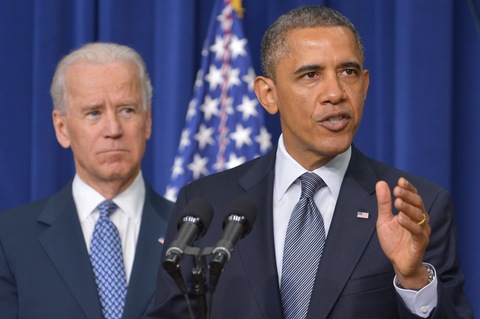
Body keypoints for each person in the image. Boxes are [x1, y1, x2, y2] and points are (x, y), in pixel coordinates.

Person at [145, 6, 473, 319]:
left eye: (348, 72)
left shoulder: (416, 210)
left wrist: (413, 279)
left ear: (365, 85)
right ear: (267, 95)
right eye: (311, 75)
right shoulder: (207, 204)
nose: (335, 93)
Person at [0, 42, 173, 319]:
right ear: (62, 128)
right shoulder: (9, 239)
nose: (113, 129)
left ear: (148, 120)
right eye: (94, 113)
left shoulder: (192, 231)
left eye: (127, 110)